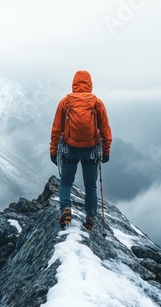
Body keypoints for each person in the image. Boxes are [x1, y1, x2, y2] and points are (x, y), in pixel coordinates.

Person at [50, 70, 112, 230]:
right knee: (90, 185)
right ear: (90, 84)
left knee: (66, 182)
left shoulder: (66, 102)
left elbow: (56, 129)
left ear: (74, 84)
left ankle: (65, 208)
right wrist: (106, 151)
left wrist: (53, 150)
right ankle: (90, 217)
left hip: (70, 148)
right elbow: (105, 129)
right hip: (91, 150)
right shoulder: (96, 103)